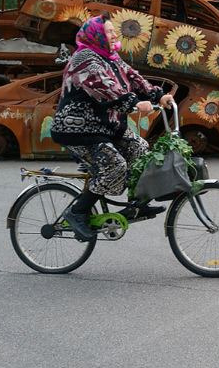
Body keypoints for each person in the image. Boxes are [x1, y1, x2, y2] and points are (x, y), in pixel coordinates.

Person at [52, 13, 175, 241]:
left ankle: (137, 204)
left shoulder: (111, 57)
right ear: (96, 35)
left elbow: (135, 78)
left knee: (141, 149)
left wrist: (158, 96)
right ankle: (77, 212)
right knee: (115, 167)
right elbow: (105, 87)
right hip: (79, 130)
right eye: (108, 31)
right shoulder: (84, 60)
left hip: (106, 127)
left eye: (112, 31)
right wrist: (134, 103)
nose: (113, 35)